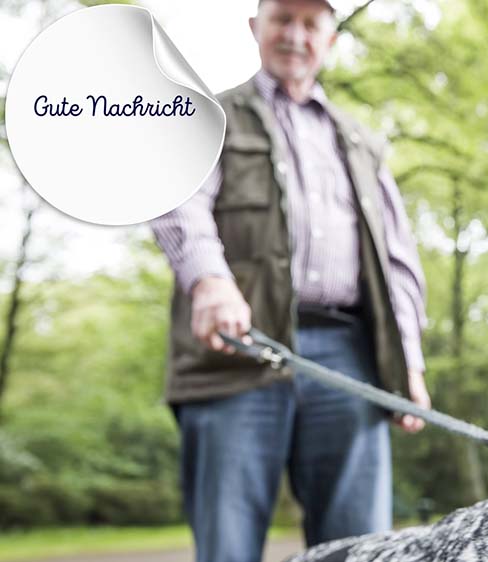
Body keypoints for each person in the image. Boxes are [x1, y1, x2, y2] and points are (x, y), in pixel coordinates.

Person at [149, 1, 431, 561]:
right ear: (256, 28)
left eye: (311, 24)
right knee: (227, 547)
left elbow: (398, 261)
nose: (295, 36)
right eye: (283, 19)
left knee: (361, 549)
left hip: (349, 357)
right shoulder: (208, 117)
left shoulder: (362, 142)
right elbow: (179, 203)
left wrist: (409, 362)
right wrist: (210, 281)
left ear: (330, 39)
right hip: (235, 351)